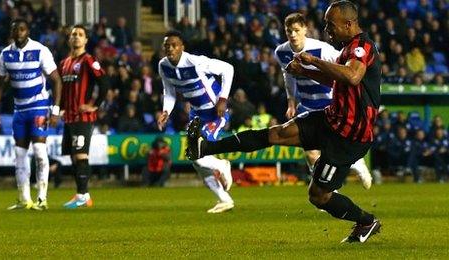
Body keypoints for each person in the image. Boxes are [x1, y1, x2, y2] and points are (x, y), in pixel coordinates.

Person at [186, 1, 381, 242]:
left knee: (318, 195)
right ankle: (204, 147)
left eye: (331, 25)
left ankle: (366, 221)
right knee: (275, 134)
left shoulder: (362, 47)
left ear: (349, 23)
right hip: (331, 119)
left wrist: (314, 61)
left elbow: (352, 76)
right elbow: (338, 81)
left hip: (349, 136)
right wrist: (306, 72)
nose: (327, 29)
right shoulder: (345, 49)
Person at [274, 12, 373, 189]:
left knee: (333, 148)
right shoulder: (281, 52)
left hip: (329, 102)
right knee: (311, 153)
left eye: (296, 30)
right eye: (289, 31)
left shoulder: (322, 49)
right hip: (306, 104)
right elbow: (287, 75)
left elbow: (342, 68)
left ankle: (357, 164)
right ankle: (326, 190)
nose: (293, 35)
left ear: (305, 29)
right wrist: (291, 101)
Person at [157, 30, 234, 214]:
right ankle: (224, 200)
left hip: (215, 112)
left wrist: (223, 98)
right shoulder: (163, 66)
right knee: (195, 160)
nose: (170, 48)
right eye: (167, 45)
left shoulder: (195, 61)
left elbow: (228, 69)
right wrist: (166, 110)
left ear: (182, 47)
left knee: (197, 154)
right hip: (197, 115)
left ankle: (222, 165)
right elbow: (169, 91)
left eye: (174, 45)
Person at [0, 19, 63, 211]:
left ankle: (42, 198)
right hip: (19, 110)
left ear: (28, 31)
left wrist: (55, 110)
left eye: (22, 29)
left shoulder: (40, 50)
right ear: (12, 33)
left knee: (40, 152)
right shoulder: (6, 53)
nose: (19, 33)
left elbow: (56, 80)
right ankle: (24, 199)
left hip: (39, 106)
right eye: (15, 30)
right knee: (19, 154)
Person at [58, 25, 109, 209]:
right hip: (69, 117)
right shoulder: (64, 63)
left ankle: (82, 195)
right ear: (69, 39)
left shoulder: (89, 60)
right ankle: (83, 194)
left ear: (86, 40)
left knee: (80, 155)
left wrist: (94, 105)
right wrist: (61, 108)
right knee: (73, 156)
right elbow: (62, 90)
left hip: (83, 117)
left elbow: (104, 82)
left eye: (80, 35)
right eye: (73, 34)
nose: (76, 37)